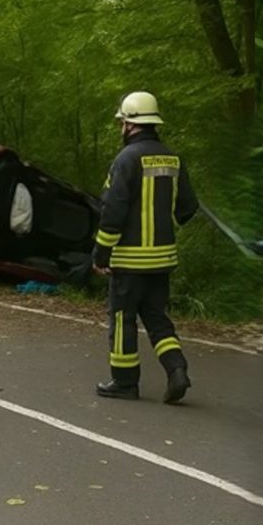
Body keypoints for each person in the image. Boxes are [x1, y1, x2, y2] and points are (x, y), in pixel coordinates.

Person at [92, 91, 199, 404]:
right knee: (156, 318)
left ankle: (125, 383)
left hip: (129, 260)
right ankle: (176, 369)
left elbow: (112, 211)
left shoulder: (125, 160)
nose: (120, 128)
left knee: (123, 320)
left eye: (122, 122)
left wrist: (101, 253)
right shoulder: (173, 158)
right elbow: (187, 209)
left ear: (130, 124)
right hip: (162, 260)